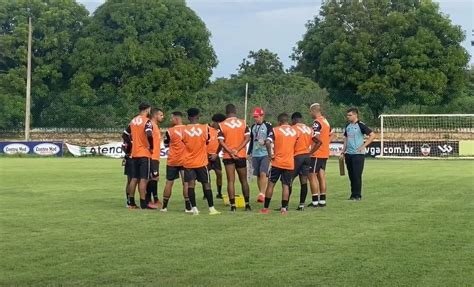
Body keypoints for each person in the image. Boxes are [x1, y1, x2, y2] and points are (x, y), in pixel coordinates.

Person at [181, 108, 221, 215]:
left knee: (190, 185)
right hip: (201, 162)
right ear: (198, 116)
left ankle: (194, 209)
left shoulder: (183, 130)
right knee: (206, 184)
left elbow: (183, 142)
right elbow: (207, 141)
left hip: (189, 162)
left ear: (188, 117)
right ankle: (211, 208)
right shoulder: (205, 128)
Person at [259, 113, 298, 215]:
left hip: (277, 162)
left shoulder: (276, 130)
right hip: (289, 163)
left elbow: (268, 142)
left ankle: (265, 208)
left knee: (271, 184)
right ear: (287, 121)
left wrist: (270, 155)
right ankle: (284, 209)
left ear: (279, 121)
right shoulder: (294, 131)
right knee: (285, 185)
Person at [218, 104, 252, 211]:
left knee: (230, 181)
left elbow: (221, 141)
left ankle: (233, 206)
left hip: (228, 156)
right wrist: (237, 150)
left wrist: (230, 151)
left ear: (226, 112)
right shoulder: (243, 122)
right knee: (244, 181)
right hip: (240, 155)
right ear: (235, 111)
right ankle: (247, 204)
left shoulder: (222, 124)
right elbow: (247, 138)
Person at [122, 102, 156, 209]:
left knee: (134, 178)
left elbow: (125, 135)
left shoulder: (133, 120)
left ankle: (131, 202)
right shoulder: (147, 121)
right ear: (147, 110)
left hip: (134, 154)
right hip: (144, 154)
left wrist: (131, 146)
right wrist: (151, 146)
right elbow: (149, 133)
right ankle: (143, 203)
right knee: (143, 179)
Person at [340, 107, 376, 200]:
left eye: (350, 115)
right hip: (349, 154)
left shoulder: (361, 125)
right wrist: (343, 151)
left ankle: (357, 195)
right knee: (351, 175)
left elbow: (372, 135)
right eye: (347, 115)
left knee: (357, 175)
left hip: (358, 155)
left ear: (355, 115)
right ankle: (353, 195)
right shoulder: (347, 126)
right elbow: (346, 139)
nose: (348, 117)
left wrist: (363, 146)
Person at [160, 112, 191, 212]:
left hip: (172, 160)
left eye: (172, 118)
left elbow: (165, 144)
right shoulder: (188, 129)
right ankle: (187, 207)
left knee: (169, 183)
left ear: (177, 118)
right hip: (185, 160)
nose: (171, 120)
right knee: (186, 183)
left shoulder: (170, 131)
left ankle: (164, 207)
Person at [308, 103, 333, 208]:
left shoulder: (317, 122)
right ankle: (322, 200)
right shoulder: (325, 121)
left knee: (311, 175)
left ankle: (314, 201)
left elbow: (316, 137)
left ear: (314, 111)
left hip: (316, 153)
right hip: (324, 153)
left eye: (310, 112)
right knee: (321, 175)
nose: (310, 114)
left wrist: (311, 151)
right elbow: (331, 134)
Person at [248, 107, 273, 203]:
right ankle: (261, 193)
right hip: (255, 154)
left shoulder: (268, 125)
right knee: (258, 175)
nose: (255, 119)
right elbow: (251, 141)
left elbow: (271, 137)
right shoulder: (253, 127)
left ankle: (262, 194)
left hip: (265, 153)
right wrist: (248, 153)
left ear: (262, 116)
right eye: (254, 117)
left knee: (263, 173)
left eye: (257, 117)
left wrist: (266, 141)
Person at [289, 112, 313, 211]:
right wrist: (311, 152)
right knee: (304, 181)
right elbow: (318, 141)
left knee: (288, 180)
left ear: (294, 120)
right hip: (307, 156)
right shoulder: (309, 129)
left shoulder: (293, 128)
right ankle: (301, 205)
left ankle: (285, 204)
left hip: (297, 156)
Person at [146, 108, 164, 207]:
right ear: (155, 115)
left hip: (156, 156)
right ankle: (148, 200)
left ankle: (155, 199)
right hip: (151, 156)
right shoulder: (150, 125)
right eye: (161, 115)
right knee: (153, 178)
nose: (162, 117)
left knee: (154, 178)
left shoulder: (156, 126)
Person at [207, 113, 226, 199]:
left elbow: (222, 143)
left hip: (215, 155)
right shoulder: (206, 129)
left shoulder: (220, 130)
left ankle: (219, 192)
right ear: (216, 122)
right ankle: (206, 193)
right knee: (206, 175)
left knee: (219, 174)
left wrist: (216, 154)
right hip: (206, 155)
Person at [121, 130, 133, 207]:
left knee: (143, 180)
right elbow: (123, 146)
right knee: (130, 180)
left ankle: (145, 200)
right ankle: (129, 200)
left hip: (139, 158)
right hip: (131, 159)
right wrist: (127, 154)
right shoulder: (128, 136)